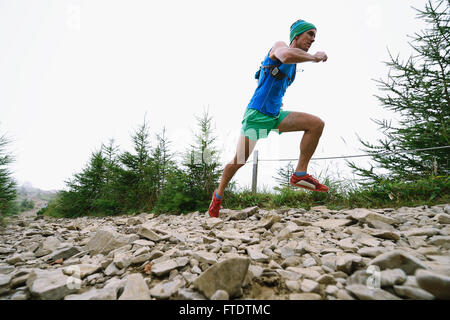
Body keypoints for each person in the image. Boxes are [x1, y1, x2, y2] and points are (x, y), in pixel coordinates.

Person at [209, 19, 329, 218]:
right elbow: (285, 55)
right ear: (296, 36)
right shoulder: (280, 46)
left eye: (315, 36)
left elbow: (269, 79)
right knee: (239, 160)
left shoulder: (294, 65)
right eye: (310, 34)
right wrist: (314, 58)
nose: (313, 39)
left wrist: (276, 99)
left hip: (274, 115)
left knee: (316, 124)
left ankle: (300, 174)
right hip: (256, 115)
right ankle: (218, 196)